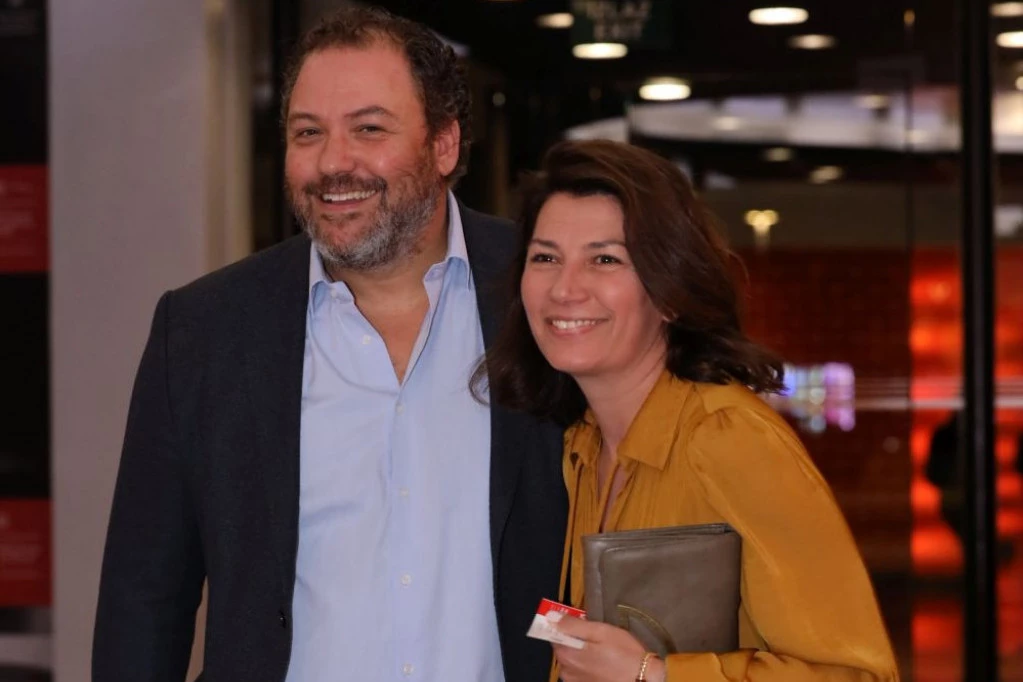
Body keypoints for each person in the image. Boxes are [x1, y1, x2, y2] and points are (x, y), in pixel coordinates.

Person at [92, 7, 567, 682]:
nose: (333, 163)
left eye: (369, 129)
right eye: (307, 132)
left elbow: (606, 541)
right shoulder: (203, 331)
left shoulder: (549, 294)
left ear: (444, 144)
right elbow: (143, 601)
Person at [476, 139, 900, 682]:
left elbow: (859, 674)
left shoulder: (727, 438)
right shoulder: (583, 442)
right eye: (545, 257)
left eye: (605, 259)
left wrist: (653, 675)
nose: (564, 288)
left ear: (670, 292)